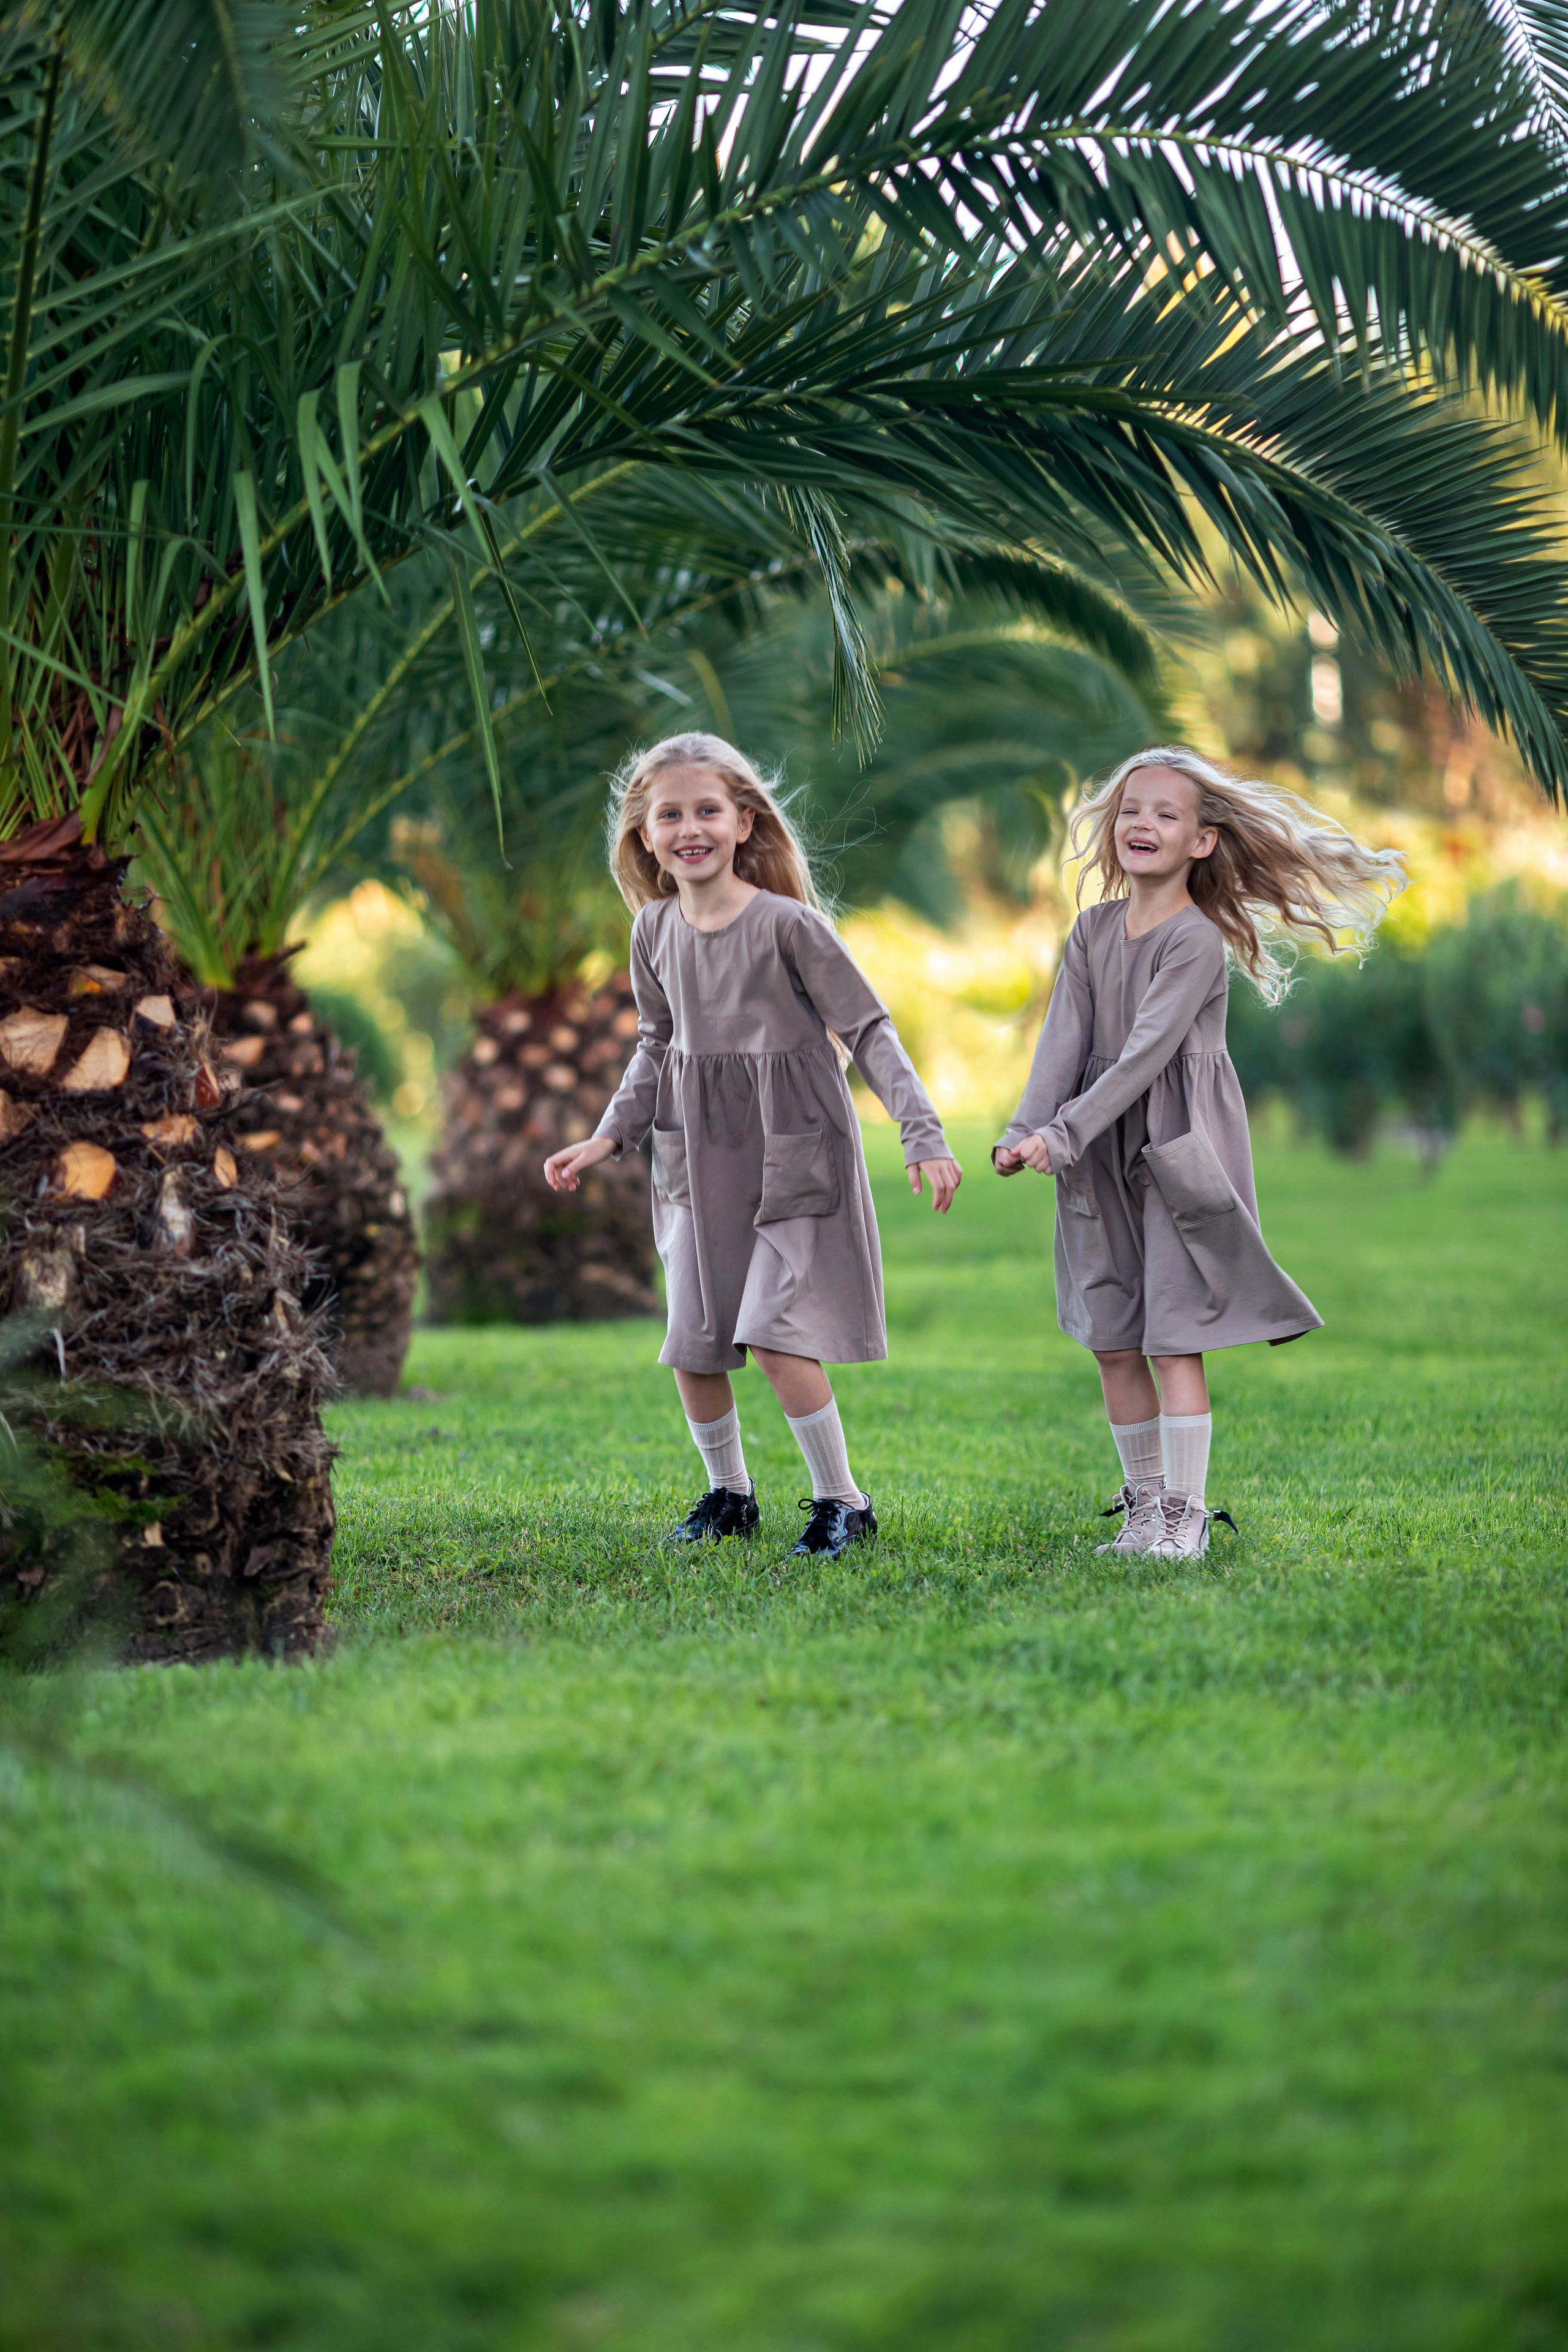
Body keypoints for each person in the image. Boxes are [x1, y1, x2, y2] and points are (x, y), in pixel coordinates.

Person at [545, 730, 962, 1559]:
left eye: (708, 810)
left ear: (744, 823)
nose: (689, 828)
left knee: (775, 1330)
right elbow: (656, 1046)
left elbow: (868, 1028)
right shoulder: (652, 930)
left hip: (792, 1147)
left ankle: (843, 1502)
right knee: (694, 1338)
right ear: (645, 836)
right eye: (670, 815)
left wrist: (922, 1132)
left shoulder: (788, 925)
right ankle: (730, 1495)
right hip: (696, 1156)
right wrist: (609, 1136)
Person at [995, 745, 1404, 1560]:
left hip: (1177, 1146)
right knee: (1113, 1337)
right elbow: (1061, 1042)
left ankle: (1187, 1516)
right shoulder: (1091, 930)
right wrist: (1023, 1127)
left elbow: (1144, 1055)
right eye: (1130, 809)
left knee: (1173, 1335)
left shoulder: (1195, 940)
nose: (1142, 823)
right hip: (1096, 1149)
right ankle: (1145, 1508)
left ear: (1202, 841)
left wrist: (1060, 1133)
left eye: (1166, 813)